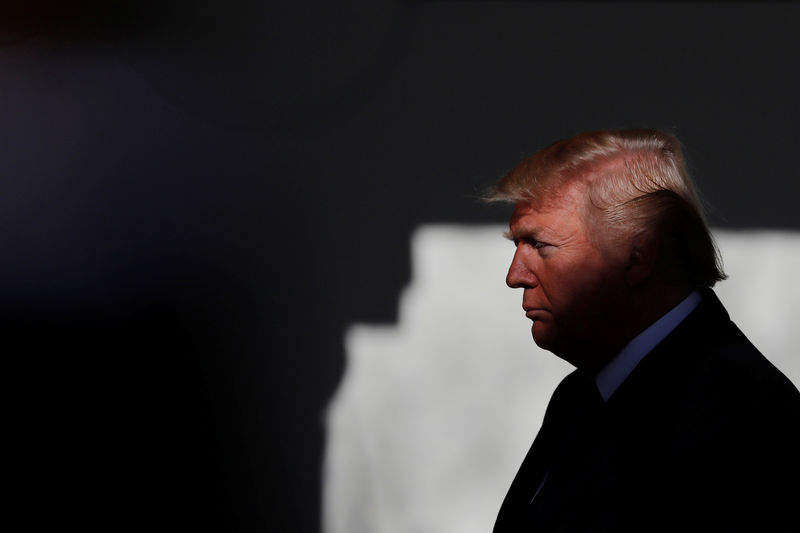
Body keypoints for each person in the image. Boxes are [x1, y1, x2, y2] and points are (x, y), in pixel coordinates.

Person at [486, 129, 800, 532]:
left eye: (540, 245)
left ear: (637, 258)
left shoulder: (742, 420)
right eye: (517, 245)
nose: (515, 276)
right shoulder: (580, 396)